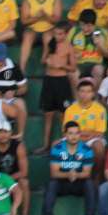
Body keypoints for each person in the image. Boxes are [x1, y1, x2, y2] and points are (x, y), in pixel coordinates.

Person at [44, 121, 97, 215]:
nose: (74, 136)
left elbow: (87, 173)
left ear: (80, 134)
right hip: (62, 183)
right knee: (52, 184)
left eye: (77, 133)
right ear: (65, 135)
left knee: (89, 183)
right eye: (71, 133)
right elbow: (54, 173)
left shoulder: (87, 149)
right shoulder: (57, 148)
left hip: (79, 183)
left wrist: (75, 174)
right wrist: (68, 174)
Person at [37, 22, 75, 152]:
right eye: (55, 34)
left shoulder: (69, 47)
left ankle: (64, 145)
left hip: (62, 81)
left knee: (63, 115)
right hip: (49, 80)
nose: (57, 36)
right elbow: (42, 60)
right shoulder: (50, 44)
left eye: (60, 34)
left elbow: (73, 67)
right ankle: (45, 145)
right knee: (48, 114)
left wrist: (61, 65)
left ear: (65, 34)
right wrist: (47, 61)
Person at [63, 78, 108, 170]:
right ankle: (62, 175)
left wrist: (84, 136)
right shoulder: (70, 110)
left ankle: (97, 174)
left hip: (93, 138)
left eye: (88, 91)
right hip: (74, 136)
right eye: (82, 91)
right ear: (78, 93)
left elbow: (100, 133)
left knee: (99, 147)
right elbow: (66, 132)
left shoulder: (100, 109)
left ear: (93, 94)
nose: (85, 94)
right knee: (55, 144)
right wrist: (80, 137)